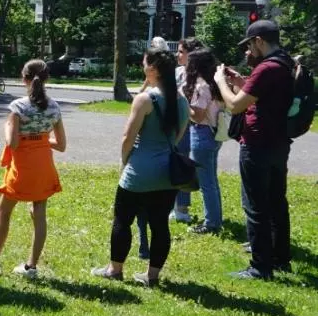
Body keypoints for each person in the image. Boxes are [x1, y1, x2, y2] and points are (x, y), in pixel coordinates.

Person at [92, 47, 188, 286]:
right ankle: (152, 276)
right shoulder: (182, 100)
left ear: (153, 69)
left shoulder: (145, 99)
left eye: (144, 63)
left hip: (139, 172)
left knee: (122, 220)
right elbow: (177, 137)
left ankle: (115, 269)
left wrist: (125, 162)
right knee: (160, 225)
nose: (142, 67)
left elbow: (128, 137)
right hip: (167, 174)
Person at [215, 20, 295, 279]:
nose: (248, 50)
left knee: (257, 206)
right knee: (277, 202)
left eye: (250, 44)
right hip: (279, 143)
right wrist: (241, 82)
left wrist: (221, 82)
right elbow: (261, 97)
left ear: (259, 41)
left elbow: (235, 105)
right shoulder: (285, 63)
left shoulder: (266, 68)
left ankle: (260, 267)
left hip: (257, 143)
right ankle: (280, 259)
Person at [0, 59, 65, 279]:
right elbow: (61, 145)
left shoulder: (18, 107)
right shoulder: (54, 107)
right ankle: (31, 267)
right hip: (44, 165)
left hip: (22, 167)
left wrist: (8, 126)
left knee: (3, 212)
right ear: (46, 79)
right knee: (39, 214)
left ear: (24, 79)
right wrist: (41, 140)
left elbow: (12, 143)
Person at [183, 49, 225, 234]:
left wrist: (184, 104)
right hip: (215, 133)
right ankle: (215, 218)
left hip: (202, 133)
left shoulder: (201, 86)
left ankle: (212, 223)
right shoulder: (215, 84)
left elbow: (198, 116)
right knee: (211, 180)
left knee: (206, 182)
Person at [171, 37, 205, 224]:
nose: (178, 55)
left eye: (181, 52)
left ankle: (182, 209)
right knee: (172, 162)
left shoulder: (199, 76)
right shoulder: (177, 72)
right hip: (174, 122)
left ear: (191, 55)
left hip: (190, 124)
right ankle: (172, 205)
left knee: (184, 164)